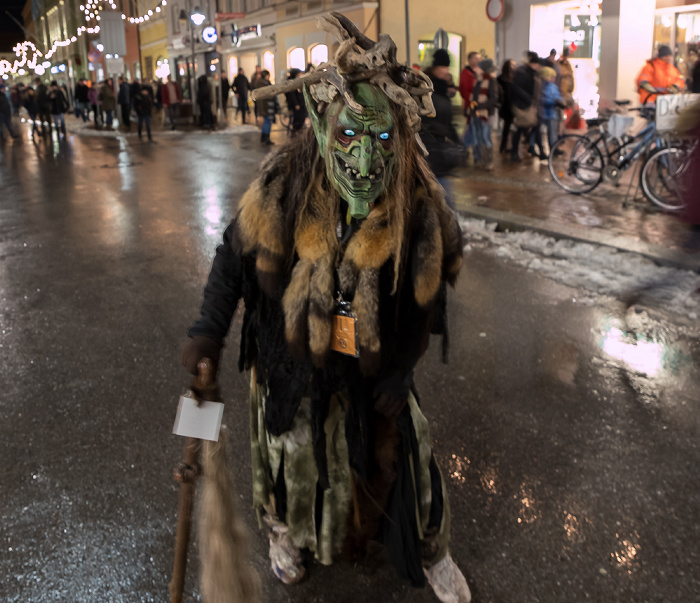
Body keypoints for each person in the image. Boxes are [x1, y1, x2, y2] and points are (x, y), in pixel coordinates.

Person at [182, 13, 469, 602]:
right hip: (290, 360)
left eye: (382, 140)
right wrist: (209, 330)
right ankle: (282, 532)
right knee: (289, 458)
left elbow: (428, 299)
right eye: (348, 138)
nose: (365, 163)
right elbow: (233, 258)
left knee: (408, 450)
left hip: (373, 361)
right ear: (319, 121)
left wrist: (402, 369)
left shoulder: (416, 203)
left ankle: (430, 546)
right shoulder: (282, 184)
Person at [421, 48, 462, 208]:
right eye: (444, 67)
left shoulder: (442, 88)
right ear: (436, 68)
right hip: (429, 152)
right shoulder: (426, 90)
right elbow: (423, 122)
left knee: (442, 200)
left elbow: (447, 121)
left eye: (447, 67)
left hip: (439, 152)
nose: (446, 70)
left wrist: (457, 142)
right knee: (445, 202)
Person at [511, 51, 543, 162]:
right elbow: (516, 87)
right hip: (522, 106)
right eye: (537, 64)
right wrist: (528, 98)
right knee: (520, 128)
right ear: (533, 63)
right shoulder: (522, 72)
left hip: (530, 105)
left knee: (534, 127)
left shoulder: (533, 73)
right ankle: (514, 152)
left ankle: (539, 150)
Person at [470, 58, 499, 169]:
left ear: (484, 69)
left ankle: (489, 162)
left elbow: (493, 100)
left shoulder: (492, 81)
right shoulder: (477, 80)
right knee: (476, 137)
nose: (476, 68)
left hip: (486, 114)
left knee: (486, 137)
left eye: (478, 67)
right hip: (475, 113)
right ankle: (478, 160)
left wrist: (479, 105)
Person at [538, 66, 563, 158]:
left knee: (553, 132)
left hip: (551, 112)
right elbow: (543, 100)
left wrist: (559, 101)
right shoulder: (542, 87)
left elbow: (557, 96)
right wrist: (555, 102)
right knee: (546, 132)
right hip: (546, 112)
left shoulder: (552, 86)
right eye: (551, 77)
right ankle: (549, 149)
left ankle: (554, 148)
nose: (553, 79)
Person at [253, 69, 277, 145]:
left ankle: (263, 137)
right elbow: (260, 99)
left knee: (266, 122)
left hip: (269, 106)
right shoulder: (262, 84)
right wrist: (262, 109)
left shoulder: (266, 83)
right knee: (268, 122)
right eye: (267, 75)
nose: (268, 77)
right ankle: (267, 138)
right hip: (266, 107)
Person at [497, 59, 516, 154]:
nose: (514, 66)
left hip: (512, 105)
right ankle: (504, 146)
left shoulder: (514, 77)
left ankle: (505, 146)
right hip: (506, 106)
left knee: (509, 128)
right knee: (507, 127)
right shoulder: (501, 78)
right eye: (512, 65)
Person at [284, 68, 307, 136]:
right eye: (299, 74)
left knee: (301, 117)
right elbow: (292, 95)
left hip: (300, 103)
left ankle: (297, 132)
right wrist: (296, 104)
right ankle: (295, 132)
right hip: (297, 105)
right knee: (298, 118)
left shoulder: (295, 81)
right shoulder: (292, 82)